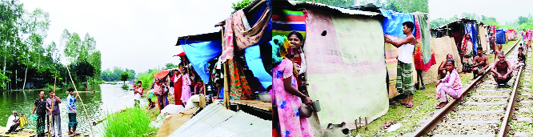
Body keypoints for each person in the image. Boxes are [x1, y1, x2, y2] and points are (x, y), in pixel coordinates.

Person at [271, 35, 314, 137]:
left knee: (282, 127)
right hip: (290, 103)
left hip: (278, 102)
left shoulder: (272, 65)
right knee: (293, 129)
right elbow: (288, 86)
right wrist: (304, 97)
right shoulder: (287, 63)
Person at [385, 21, 416, 108]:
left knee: (408, 81)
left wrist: (389, 40)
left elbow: (398, 44)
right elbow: (405, 50)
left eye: (404, 27)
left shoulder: (411, 38)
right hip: (402, 60)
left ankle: (410, 100)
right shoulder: (407, 37)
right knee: (402, 80)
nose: (403, 29)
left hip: (407, 62)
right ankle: (405, 99)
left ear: (409, 29)